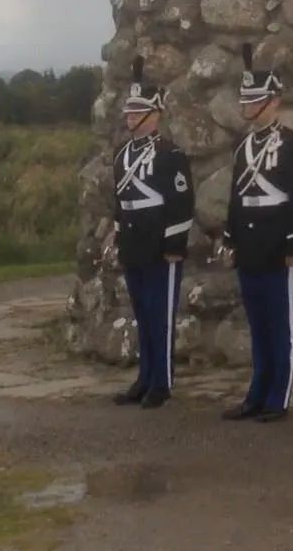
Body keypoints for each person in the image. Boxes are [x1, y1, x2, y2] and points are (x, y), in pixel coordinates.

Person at [221, 44, 293, 424]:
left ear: (273, 101)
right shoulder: (243, 147)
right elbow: (236, 197)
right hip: (249, 246)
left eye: (254, 100)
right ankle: (256, 394)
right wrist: (230, 240)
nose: (247, 106)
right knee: (258, 326)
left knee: (280, 326)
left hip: (278, 246)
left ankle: (279, 397)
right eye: (245, 99)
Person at [109, 57, 193, 409]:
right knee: (142, 314)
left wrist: (174, 244)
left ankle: (162, 381)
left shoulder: (170, 154)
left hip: (160, 244)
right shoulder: (122, 155)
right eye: (129, 111)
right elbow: (120, 201)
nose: (131, 116)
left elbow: (181, 202)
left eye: (138, 111)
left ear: (155, 114)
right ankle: (144, 377)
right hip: (134, 242)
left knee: (161, 316)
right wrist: (117, 237)